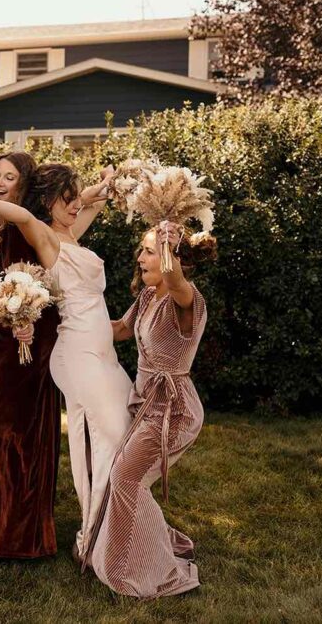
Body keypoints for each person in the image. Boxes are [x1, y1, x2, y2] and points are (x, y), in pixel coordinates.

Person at [0, 162, 131, 562]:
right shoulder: (45, 236)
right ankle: (94, 534)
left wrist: (102, 187)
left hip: (102, 352)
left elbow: (88, 206)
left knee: (118, 436)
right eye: (67, 199)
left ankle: (113, 524)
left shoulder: (69, 234)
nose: (75, 204)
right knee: (108, 436)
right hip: (77, 352)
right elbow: (24, 215)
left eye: (75, 198)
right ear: (49, 201)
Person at [85, 223, 215, 598]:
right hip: (145, 404)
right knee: (122, 475)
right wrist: (69, 318)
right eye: (141, 250)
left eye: (149, 251)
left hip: (173, 410)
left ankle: (141, 568)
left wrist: (168, 245)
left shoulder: (186, 299)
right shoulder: (146, 297)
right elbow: (119, 330)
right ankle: (149, 546)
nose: (140, 257)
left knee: (126, 479)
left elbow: (175, 280)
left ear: (173, 257)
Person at [0, 152, 63, 560]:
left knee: (11, 430)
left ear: (24, 183)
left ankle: (17, 536)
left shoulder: (21, 225)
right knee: (1, 428)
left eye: (9, 177)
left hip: (22, 337)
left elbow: (31, 282)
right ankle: (2, 527)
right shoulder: (0, 223)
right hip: (4, 334)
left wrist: (22, 320)